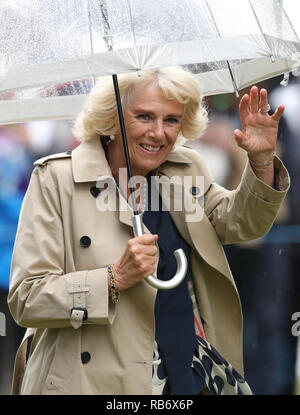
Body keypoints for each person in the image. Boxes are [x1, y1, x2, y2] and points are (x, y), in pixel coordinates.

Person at [7, 67, 290, 395]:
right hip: (91, 384)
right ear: (112, 118)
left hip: (181, 376)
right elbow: (27, 298)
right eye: (144, 116)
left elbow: (242, 223)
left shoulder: (186, 169)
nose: (159, 133)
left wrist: (261, 162)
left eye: (171, 120)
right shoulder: (55, 180)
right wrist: (113, 279)